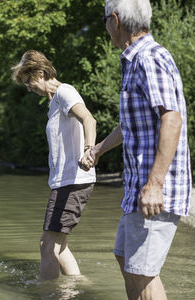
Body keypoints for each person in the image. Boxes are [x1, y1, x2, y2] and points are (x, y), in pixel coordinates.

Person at [81, 0, 192, 299]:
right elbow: (130, 123)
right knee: (126, 258)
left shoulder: (149, 58)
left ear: (115, 20)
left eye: (104, 20)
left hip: (154, 189)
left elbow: (172, 118)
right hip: (138, 188)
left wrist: (155, 185)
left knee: (142, 271)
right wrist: (99, 149)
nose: (105, 27)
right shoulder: (134, 60)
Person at [11, 50, 96, 281]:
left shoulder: (65, 92)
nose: (28, 88)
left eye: (28, 81)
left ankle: (47, 295)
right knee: (60, 245)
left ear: (40, 72)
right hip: (64, 182)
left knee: (46, 246)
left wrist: (89, 150)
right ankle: (78, 285)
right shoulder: (53, 105)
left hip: (74, 181)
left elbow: (89, 119)